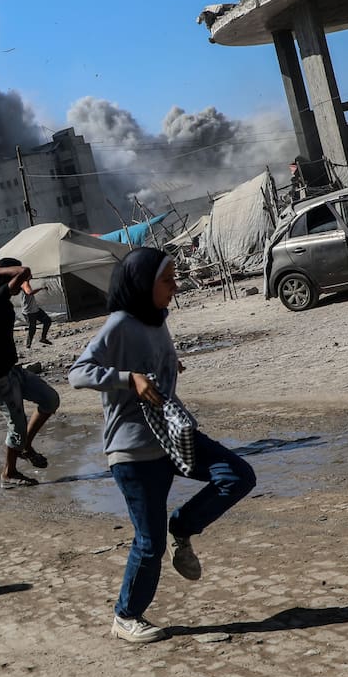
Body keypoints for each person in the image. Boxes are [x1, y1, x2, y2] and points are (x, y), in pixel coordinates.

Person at [69, 247, 257, 644]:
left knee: (237, 475)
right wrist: (129, 378)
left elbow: (153, 363)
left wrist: (169, 365)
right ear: (142, 284)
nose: (175, 287)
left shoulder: (156, 321)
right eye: (167, 280)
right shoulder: (120, 323)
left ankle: (183, 526)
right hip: (134, 451)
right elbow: (78, 373)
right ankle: (126, 616)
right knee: (148, 543)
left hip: (171, 435)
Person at [0, 257, 59, 488]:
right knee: (17, 425)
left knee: (50, 399)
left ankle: (25, 447)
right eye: (18, 282)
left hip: (10, 369)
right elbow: (25, 270)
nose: (22, 285)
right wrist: (0, 271)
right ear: (7, 279)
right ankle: (9, 473)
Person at [21, 279, 53, 348]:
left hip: (35, 309)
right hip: (29, 311)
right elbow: (30, 292)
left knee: (47, 321)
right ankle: (28, 344)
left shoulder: (27, 283)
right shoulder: (25, 283)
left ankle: (43, 338)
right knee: (32, 328)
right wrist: (41, 288)